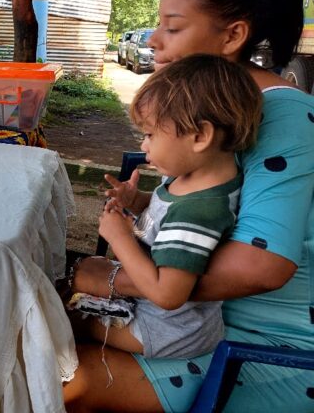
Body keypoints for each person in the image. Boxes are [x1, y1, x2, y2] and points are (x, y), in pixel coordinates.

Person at [63, 0, 314, 412]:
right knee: (48, 325)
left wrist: (121, 279)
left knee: (61, 376)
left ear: (233, 35)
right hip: (192, 317)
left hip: (258, 340)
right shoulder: (215, 111)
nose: (154, 41)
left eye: (173, 28)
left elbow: (262, 266)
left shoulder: (282, 115)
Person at [71, 55, 262, 360]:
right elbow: (166, 213)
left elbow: (167, 294)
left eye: (149, 134)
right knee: (71, 281)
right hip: (161, 315)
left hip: (163, 329)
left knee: (63, 320)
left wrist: (119, 238)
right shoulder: (195, 182)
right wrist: (138, 201)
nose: (144, 145)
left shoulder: (199, 212)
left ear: (200, 136)